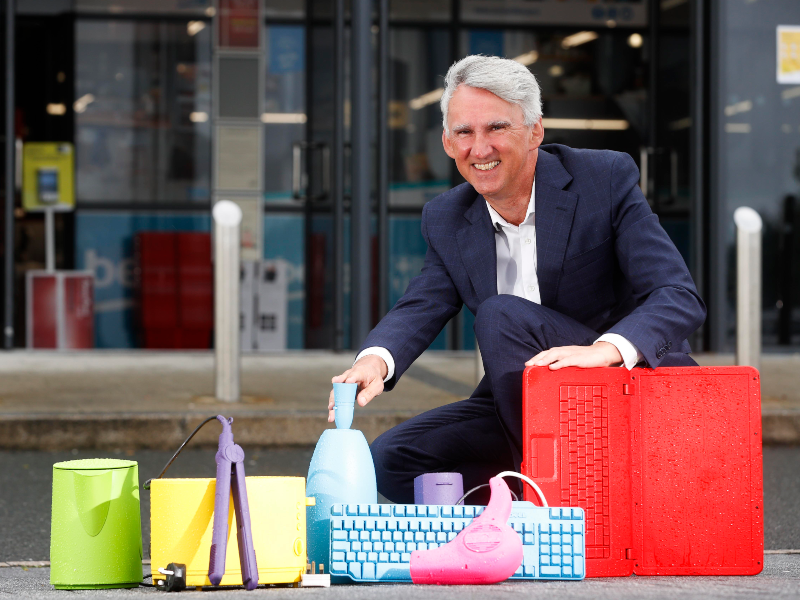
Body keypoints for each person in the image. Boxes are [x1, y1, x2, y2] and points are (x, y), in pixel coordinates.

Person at [327, 55, 706, 504]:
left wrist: (603, 351)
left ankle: (543, 502)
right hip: (523, 405)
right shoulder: (448, 217)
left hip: (618, 391)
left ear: (535, 132)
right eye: (464, 133)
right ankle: (531, 501)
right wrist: (375, 362)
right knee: (390, 460)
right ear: (447, 143)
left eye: (496, 128)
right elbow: (423, 303)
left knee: (501, 315)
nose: (479, 148)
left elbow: (677, 295)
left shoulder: (602, 179)